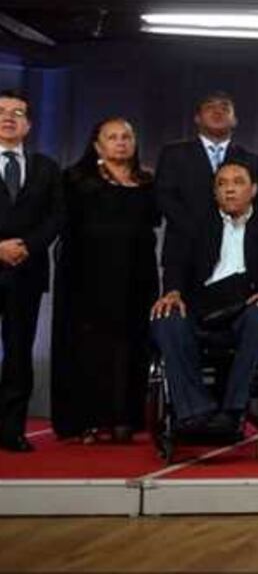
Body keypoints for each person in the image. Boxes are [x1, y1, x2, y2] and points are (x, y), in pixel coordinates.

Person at [148, 161, 258, 435]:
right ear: (214, 193)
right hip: (203, 306)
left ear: (254, 189)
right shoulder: (195, 225)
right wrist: (173, 291)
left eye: (238, 182)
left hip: (248, 304)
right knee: (165, 318)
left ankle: (232, 409)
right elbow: (176, 263)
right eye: (222, 184)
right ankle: (195, 410)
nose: (230, 190)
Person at [51, 118, 159, 444]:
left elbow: (153, 222)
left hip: (136, 275)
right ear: (97, 145)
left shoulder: (148, 180)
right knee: (90, 347)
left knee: (131, 345)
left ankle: (125, 418)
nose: (121, 142)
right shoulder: (74, 179)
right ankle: (88, 419)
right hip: (87, 275)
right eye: (112, 137)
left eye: (127, 136)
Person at [0, 90, 64, 453]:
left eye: (17, 113)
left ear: (28, 124)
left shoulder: (46, 167)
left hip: (27, 272)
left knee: (19, 354)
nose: (9, 118)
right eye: (2, 112)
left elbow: (56, 216)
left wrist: (26, 246)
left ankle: (11, 430)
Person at [156, 92, 258, 238]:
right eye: (210, 107)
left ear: (234, 120)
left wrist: (232, 231)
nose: (217, 111)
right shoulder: (173, 154)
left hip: (235, 244)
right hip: (185, 246)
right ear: (197, 118)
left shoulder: (251, 160)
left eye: (225, 108)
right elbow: (164, 198)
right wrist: (198, 231)